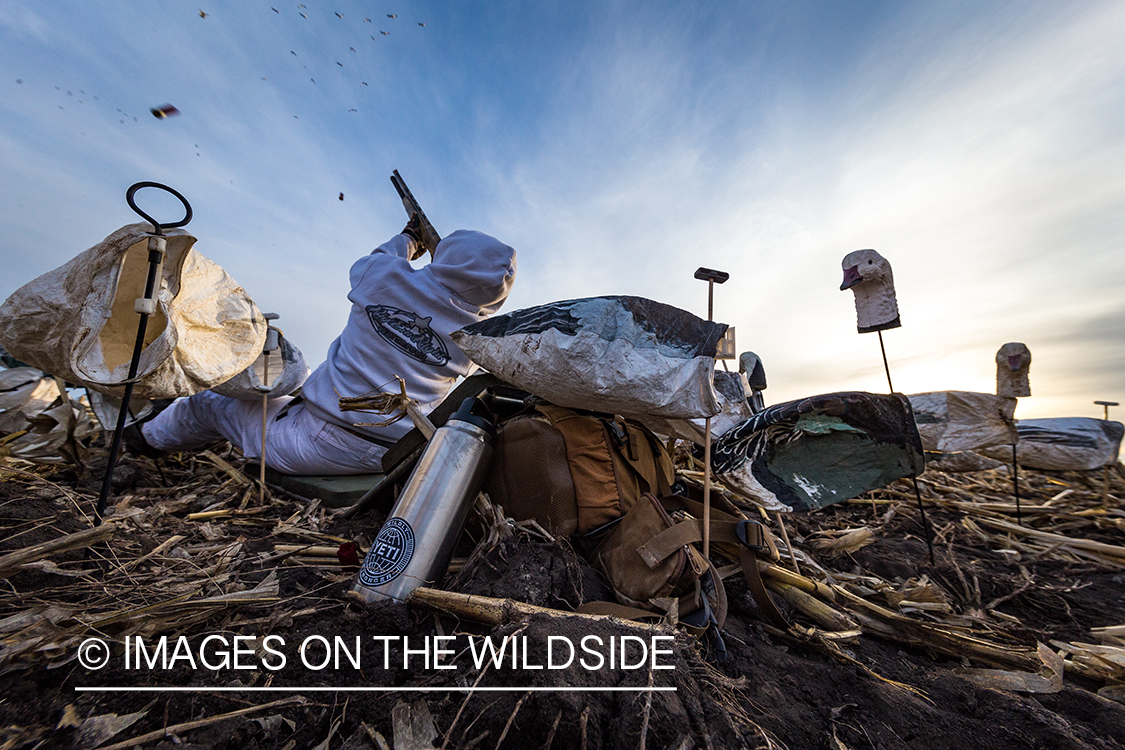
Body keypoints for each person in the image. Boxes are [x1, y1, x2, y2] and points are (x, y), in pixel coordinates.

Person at [126, 219, 517, 474]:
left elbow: (378, 258)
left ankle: (142, 440)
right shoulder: (485, 335)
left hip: (319, 442)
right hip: (395, 455)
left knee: (212, 404)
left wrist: (410, 238)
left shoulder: (384, 276)